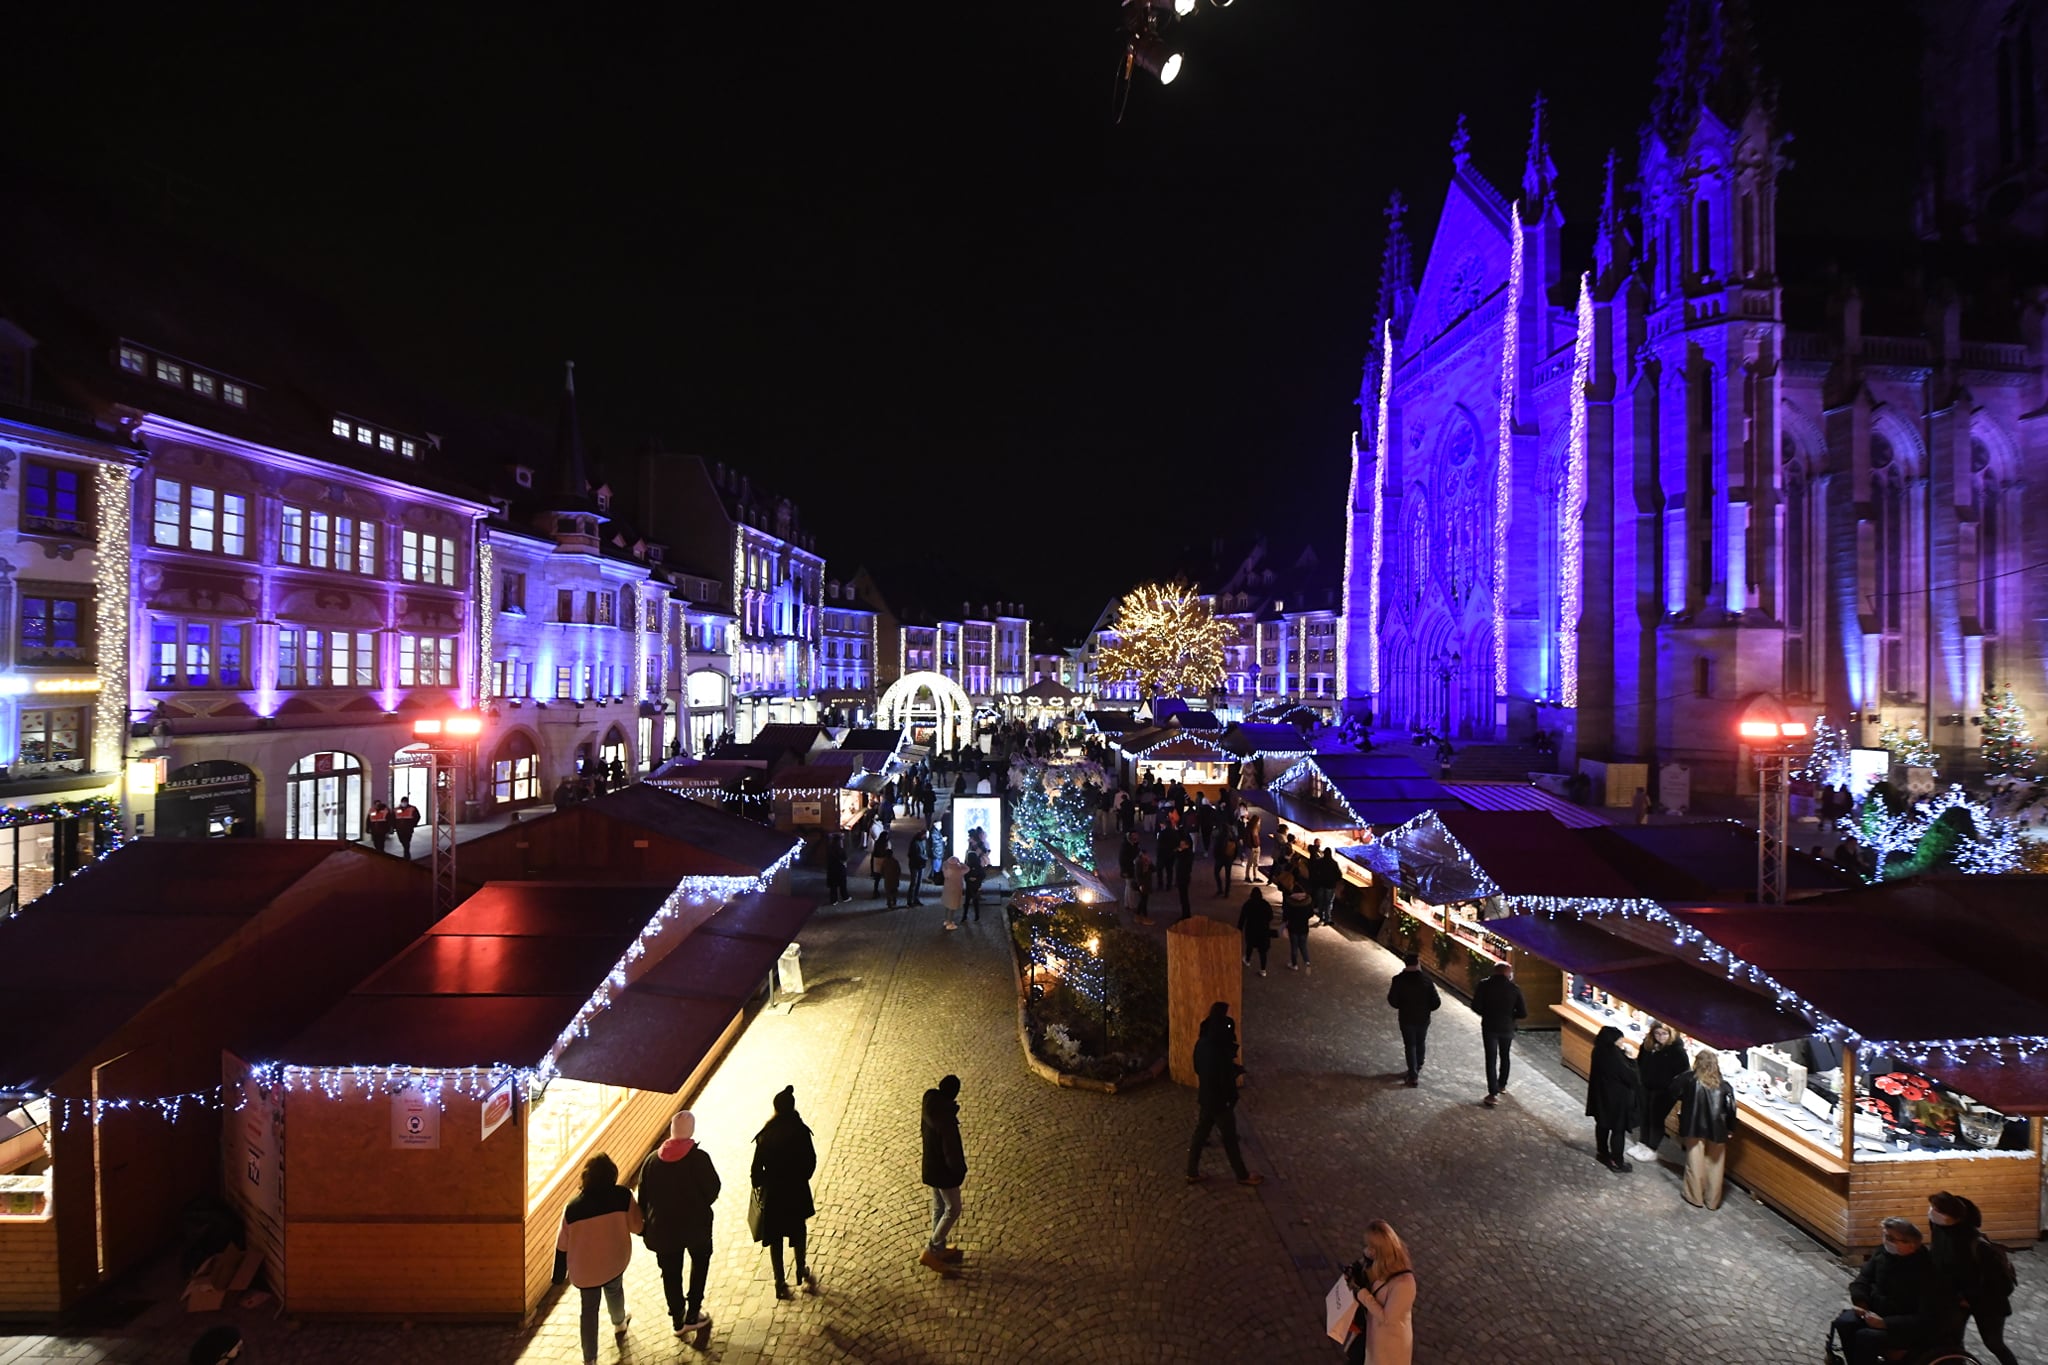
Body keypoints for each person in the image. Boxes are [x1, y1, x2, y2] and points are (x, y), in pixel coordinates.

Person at [637, 1111, 720, 1339]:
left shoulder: (652, 1161)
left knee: (670, 1274)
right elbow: (713, 1189)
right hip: (697, 1228)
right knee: (700, 1264)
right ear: (691, 1132)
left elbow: (642, 1199)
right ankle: (693, 1313)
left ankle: (677, 1320)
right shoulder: (699, 1158)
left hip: (663, 1232)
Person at [557, 1153, 641, 1363]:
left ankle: (590, 1359)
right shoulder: (623, 1196)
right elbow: (637, 1227)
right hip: (614, 1261)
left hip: (585, 1272)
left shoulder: (572, 1208)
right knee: (614, 1291)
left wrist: (558, 1276)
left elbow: (562, 1245)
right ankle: (619, 1323)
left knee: (588, 1310)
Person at [1832, 1217, 1949, 1365]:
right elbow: (1863, 1279)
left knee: (1866, 1336)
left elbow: (1926, 1317)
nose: (1886, 1241)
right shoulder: (1882, 1254)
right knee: (1845, 1322)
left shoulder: (1927, 1271)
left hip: (1904, 1328)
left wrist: (1885, 1323)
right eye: (1885, 1235)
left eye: (1891, 1238)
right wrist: (1862, 1304)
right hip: (1874, 1312)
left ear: (1911, 1245)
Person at [1928, 1191, 2019, 1365]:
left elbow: (2002, 1286)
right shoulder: (1938, 1228)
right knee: (1953, 1338)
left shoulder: (1977, 1245)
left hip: (1987, 1304)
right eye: (1932, 1207)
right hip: (1957, 1298)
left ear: (1953, 1217)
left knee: (1994, 1343)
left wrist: (1971, 1299)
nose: (1932, 1212)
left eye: (1937, 1210)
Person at [750, 1086, 819, 1301]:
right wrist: (800, 1178)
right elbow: (811, 1161)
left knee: (776, 1238)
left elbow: (755, 1172)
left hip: (774, 1196)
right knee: (798, 1231)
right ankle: (801, 1270)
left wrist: (766, 1183)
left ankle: (779, 1281)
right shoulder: (800, 1130)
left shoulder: (765, 1135)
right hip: (796, 1191)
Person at [1186, 1002, 1263, 1187]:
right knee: (1229, 1138)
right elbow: (1224, 1076)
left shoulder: (1202, 1042)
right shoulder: (1219, 1047)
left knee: (1200, 1134)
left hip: (1206, 1096)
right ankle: (1242, 1175)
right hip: (1220, 1101)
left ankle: (1191, 1172)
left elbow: (1198, 1067)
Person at [1341, 1219, 1417, 1365]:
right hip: (1368, 1333)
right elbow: (1364, 1272)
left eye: (1371, 1247)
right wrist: (1353, 1271)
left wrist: (1361, 1293)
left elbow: (1387, 1318)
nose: (1367, 1250)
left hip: (1387, 1344)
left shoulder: (1405, 1284)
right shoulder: (1376, 1260)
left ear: (1381, 1250)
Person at [1672, 1048, 1736, 1209]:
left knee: (1694, 1162)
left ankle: (1694, 1196)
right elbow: (1731, 1109)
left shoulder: (1689, 1079)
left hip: (1694, 1125)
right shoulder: (1724, 1086)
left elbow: (1673, 1089)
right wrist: (1730, 1129)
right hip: (1718, 1129)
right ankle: (1712, 1200)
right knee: (1715, 1165)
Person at [919, 1075, 968, 1276]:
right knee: (953, 1208)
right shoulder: (946, 1119)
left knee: (939, 1206)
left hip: (931, 1166)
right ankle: (932, 1250)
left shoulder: (931, 1103)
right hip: (943, 1172)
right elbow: (952, 1151)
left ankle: (938, 1249)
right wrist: (959, 1171)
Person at [1585, 1025, 1644, 1172]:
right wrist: (1631, 1058)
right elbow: (1632, 1077)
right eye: (1620, 1040)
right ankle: (1617, 1161)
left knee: (1602, 1124)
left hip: (1601, 1096)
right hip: (1617, 1100)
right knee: (1618, 1130)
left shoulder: (1598, 1050)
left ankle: (1602, 1152)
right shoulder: (1615, 1056)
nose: (1621, 1042)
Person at [1631, 1021, 1690, 1161]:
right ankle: (1643, 1143)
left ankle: (1652, 1148)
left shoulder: (1677, 1051)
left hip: (1664, 1092)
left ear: (1670, 1034)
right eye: (1657, 1033)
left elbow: (1683, 1074)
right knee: (1645, 1115)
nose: (1660, 1037)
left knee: (1656, 1118)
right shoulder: (1648, 1045)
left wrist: (1670, 1087)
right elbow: (1640, 1062)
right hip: (1646, 1087)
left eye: (1664, 1034)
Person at [1472, 961, 1526, 1106]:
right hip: (1507, 1027)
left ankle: (1492, 1092)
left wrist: (1486, 1014)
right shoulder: (1514, 988)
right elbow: (1523, 1012)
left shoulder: (1484, 985)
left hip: (1489, 1026)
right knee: (1505, 1055)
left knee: (1491, 1058)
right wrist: (1510, 1016)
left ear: (1495, 971)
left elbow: (1475, 1005)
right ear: (1507, 973)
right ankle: (1502, 1084)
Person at [1384, 952, 1440, 1086]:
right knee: (1420, 1041)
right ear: (1417, 964)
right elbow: (1436, 1002)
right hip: (1423, 1018)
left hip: (1406, 1018)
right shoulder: (1426, 980)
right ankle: (1419, 1064)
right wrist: (1426, 1009)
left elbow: (1393, 1000)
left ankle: (1413, 1075)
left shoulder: (1398, 980)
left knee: (1410, 1045)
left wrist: (1402, 1006)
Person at [1237, 887, 1273, 977]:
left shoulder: (1248, 904)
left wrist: (1239, 929)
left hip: (1251, 929)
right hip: (1263, 931)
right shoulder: (1266, 904)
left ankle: (1247, 960)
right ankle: (1263, 970)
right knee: (1263, 951)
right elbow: (1270, 917)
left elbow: (1242, 918)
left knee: (1250, 945)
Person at [1281, 879, 1313, 971]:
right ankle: (1307, 962)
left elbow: (1286, 915)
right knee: (1303, 946)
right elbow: (1311, 913)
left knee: (1294, 947)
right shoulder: (1307, 901)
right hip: (1304, 928)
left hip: (1293, 928)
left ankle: (1294, 964)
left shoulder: (1290, 902)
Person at [940, 854, 966, 930]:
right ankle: (950, 923)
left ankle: (946, 920)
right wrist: (961, 863)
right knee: (952, 907)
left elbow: (944, 863)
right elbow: (967, 869)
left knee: (947, 906)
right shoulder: (958, 870)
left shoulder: (946, 868)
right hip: (955, 890)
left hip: (947, 890)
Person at [1213, 821, 1239, 897]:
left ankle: (1220, 889)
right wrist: (1234, 857)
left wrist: (1216, 856)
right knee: (1228, 876)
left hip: (1220, 858)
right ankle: (1226, 892)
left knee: (1216, 873)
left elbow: (1216, 848)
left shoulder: (1220, 836)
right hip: (1229, 858)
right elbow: (1236, 847)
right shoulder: (1232, 837)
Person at [824, 834, 849, 905]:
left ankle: (833, 900)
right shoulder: (841, 850)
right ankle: (845, 897)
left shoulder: (829, 848)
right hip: (840, 869)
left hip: (831, 869)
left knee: (833, 886)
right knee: (842, 884)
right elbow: (845, 858)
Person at [905, 834, 927, 907]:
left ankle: (916, 898)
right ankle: (910, 900)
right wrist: (924, 858)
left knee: (919, 882)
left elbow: (924, 852)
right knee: (913, 883)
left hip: (921, 865)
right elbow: (915, 855)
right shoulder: (915, 843)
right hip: (915, 865)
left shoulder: (922, 842)